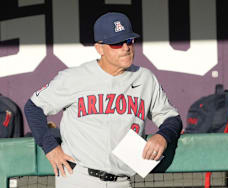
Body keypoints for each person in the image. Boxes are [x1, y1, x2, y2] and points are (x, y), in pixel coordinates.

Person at [24, 12, 182, 188]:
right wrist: (50, 148)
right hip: (78, 177)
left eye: (129, 40)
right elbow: (33, 107)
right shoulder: (74, 77)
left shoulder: (145, 78)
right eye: (116, 43)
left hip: (122, 181)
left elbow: (172, 118)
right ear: (100, 48)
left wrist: (163, 136)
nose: (125, 47)